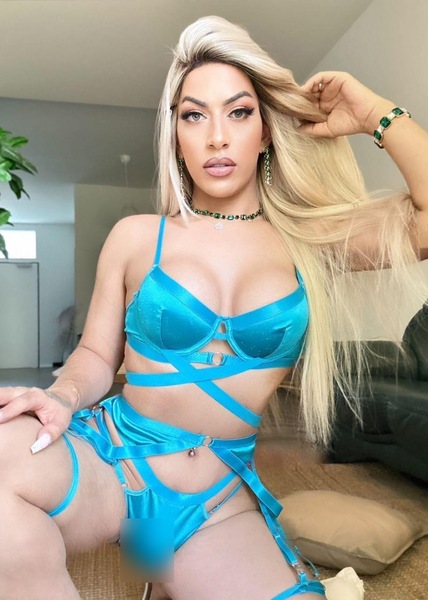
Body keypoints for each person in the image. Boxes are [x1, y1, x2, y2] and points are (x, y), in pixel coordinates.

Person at [0, 15, 427, 600]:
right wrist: (61, 396)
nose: (217, 137)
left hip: (215, 500)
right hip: (110, 460)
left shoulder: (313, 242)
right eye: (194, 115)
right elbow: (97, 354)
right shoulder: (137, 236)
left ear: (266, 131)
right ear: (175, 133)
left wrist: (375, 112)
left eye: (239, 112)